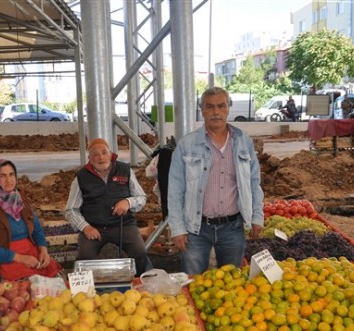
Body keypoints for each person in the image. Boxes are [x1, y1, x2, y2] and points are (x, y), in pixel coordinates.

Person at [167, 87, 264, 275]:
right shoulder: (187, 144)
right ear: (202, 110)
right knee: (193, 282)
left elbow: (254, 182)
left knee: (231, 282)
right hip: (196, 229)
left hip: (233, 228)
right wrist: (177, 228)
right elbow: (175, 190)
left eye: (221, 106)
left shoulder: (243, 141)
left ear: (228, 108)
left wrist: (257, 215)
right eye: (210, 107)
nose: (216, 112)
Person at [65, 138, 151, 276]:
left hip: (123, 225)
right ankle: (84, 290)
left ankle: (138, 283)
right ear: (90, 159)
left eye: (104, 152)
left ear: (110, 154)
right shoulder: (81, 177)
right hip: (94, 227)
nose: (101, 157)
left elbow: (142, 197)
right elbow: (70, 210)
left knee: (139, 252)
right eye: (95, 154)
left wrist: (128, 202)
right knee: (84, 258)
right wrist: (85, 227)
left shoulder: (125, 170)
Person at [0, 159, 61, 281]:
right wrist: (20, 258)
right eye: (2, 176)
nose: (9, 180)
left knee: (55, 281)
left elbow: (37, 230)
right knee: (26, 288)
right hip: (3, 259)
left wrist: (43, 251)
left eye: (11, 174)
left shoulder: (20, 200)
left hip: (30, 254)